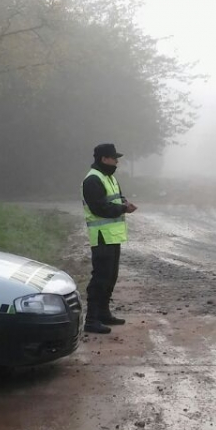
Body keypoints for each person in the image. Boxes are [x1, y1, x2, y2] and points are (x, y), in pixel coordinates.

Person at [81, 143, 137, 334]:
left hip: (113, 236)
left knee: (111, 276)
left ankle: (104, 313)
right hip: (102, 236)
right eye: (114, 158)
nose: (117, 162)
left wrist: (125, 203)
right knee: (100, 278)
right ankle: (91, 319)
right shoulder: (92, 180)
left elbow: (117, 198)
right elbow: (100, 208)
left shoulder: (109, 178)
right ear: (104, 159)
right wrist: (123, 208)